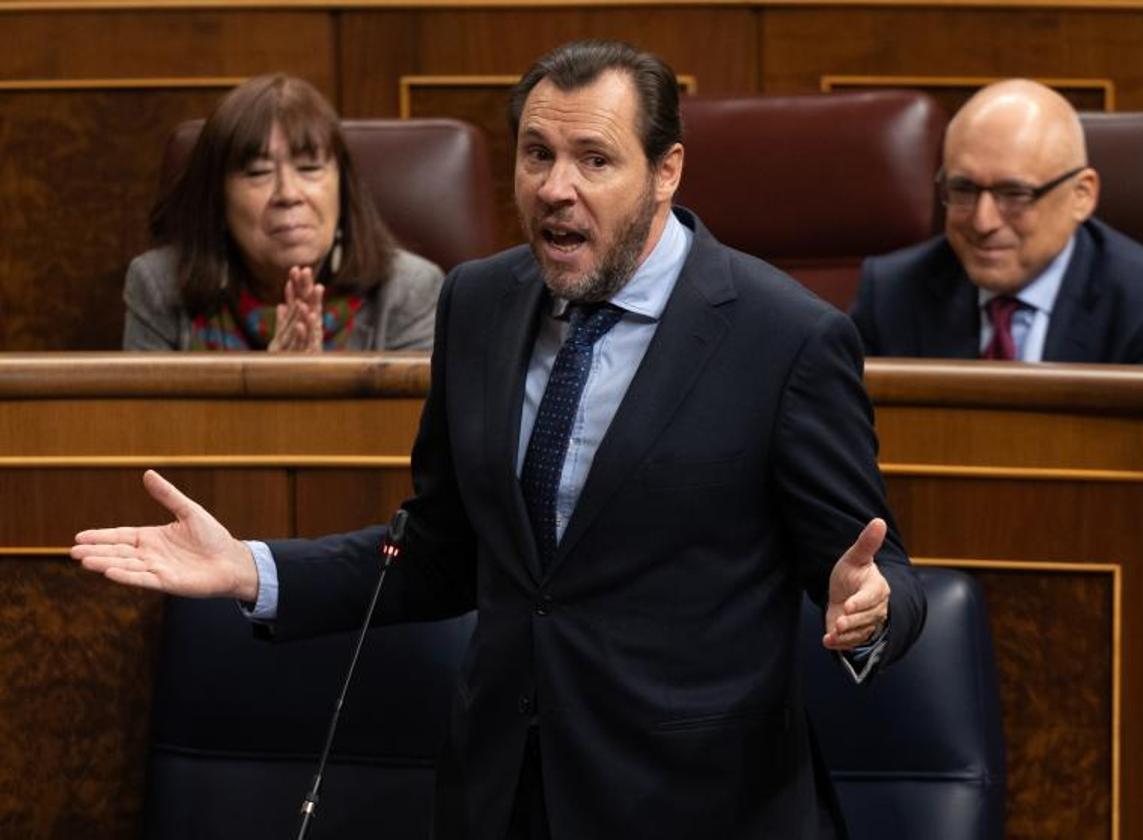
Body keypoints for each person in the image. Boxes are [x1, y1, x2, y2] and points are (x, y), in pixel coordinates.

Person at [74, 41, 925, 840]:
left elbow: (877, 568)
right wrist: (250, 570)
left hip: (702, 801)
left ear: (666, 171)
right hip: (501, 793)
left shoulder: (786, 337)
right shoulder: (478, 302)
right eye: (536, 154)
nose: (556, 187)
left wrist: (871, 608)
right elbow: (441, 549)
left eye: (595, 159)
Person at [852, 78, 1143, 364]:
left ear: (1082, 196)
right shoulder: (891, 293)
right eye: (963, 189)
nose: (983, 221)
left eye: (1014, 194)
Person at [123, 74, 443, 352]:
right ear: (218, 197)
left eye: (309, 168)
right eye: (258, 172)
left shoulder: (408, 291)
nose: (288, 195)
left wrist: (315, 387)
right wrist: (272, 388)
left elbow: (411, 423)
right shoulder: (159, 286)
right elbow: (145, 424)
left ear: (343, 190)